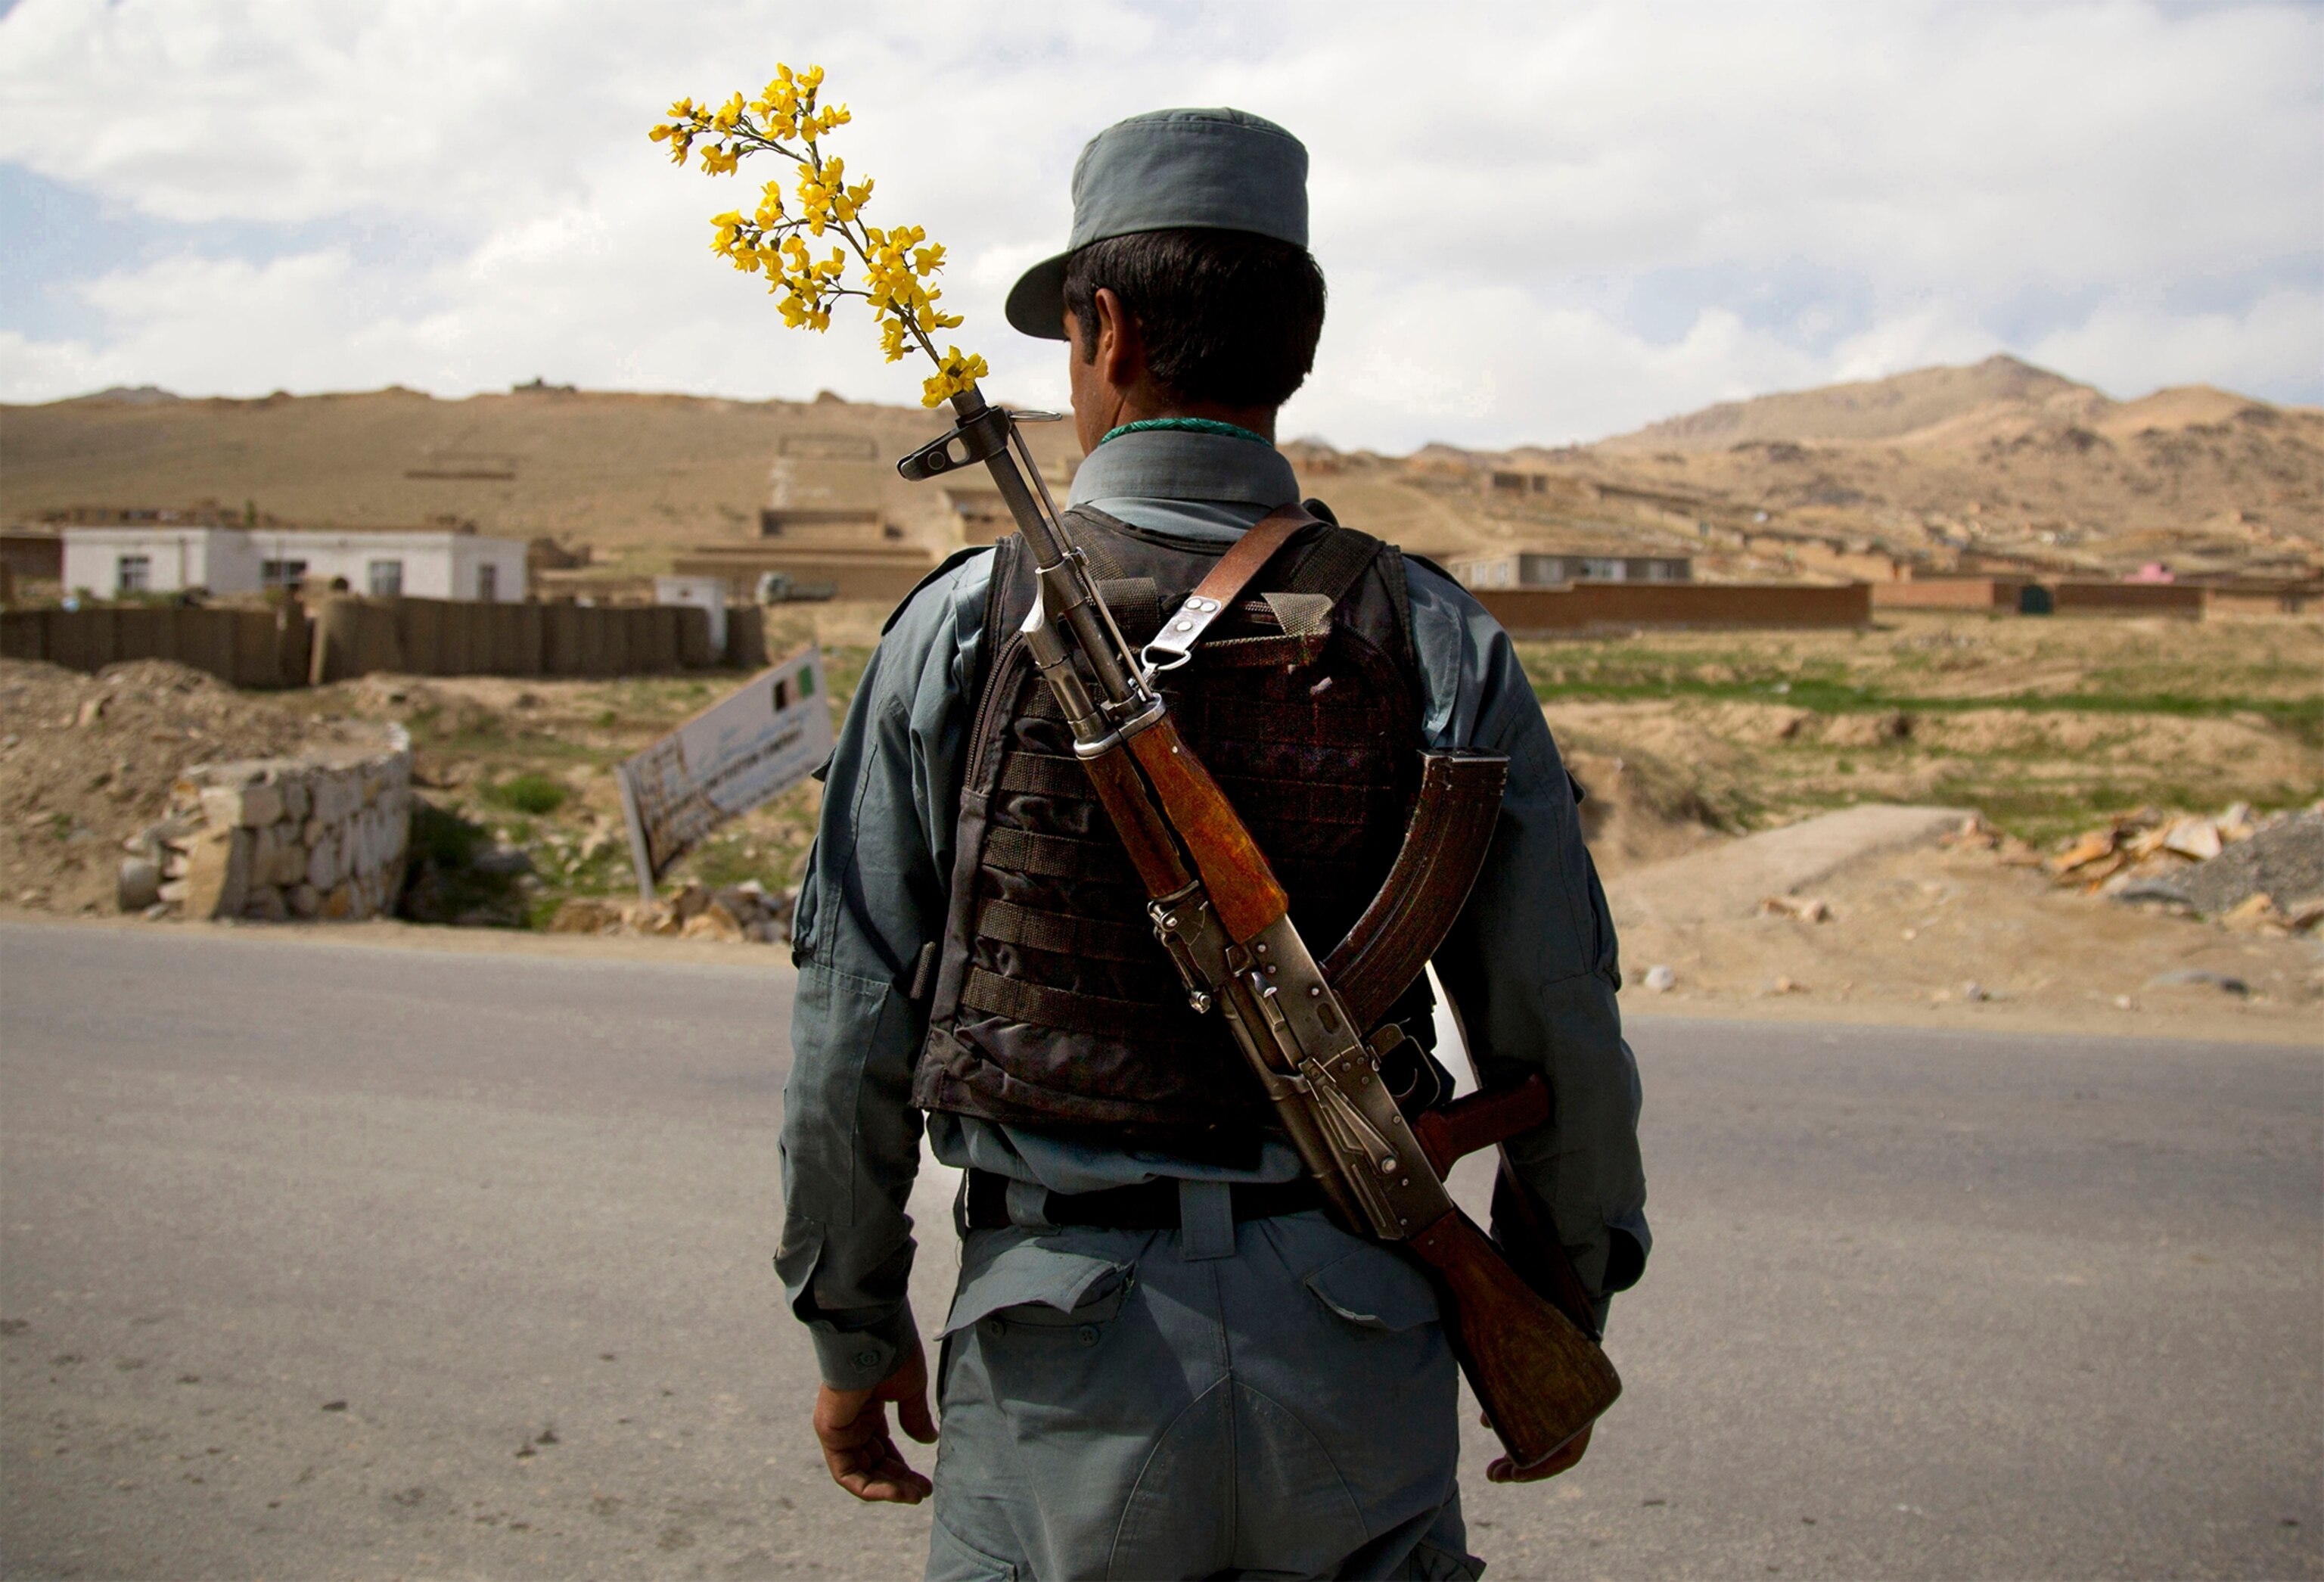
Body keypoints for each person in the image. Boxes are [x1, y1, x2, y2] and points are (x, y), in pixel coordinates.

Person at [778, 106, 1648, 1581]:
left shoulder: (960, 625)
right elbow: (1559, 1026)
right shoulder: (1434, 630)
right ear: (1294, 339)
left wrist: (853, 1330)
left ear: (1101, 328)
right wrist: (1556, 1302)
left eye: (1067, 336)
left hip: (1058, 1362)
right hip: (1359, 1339)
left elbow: (850, 1017)